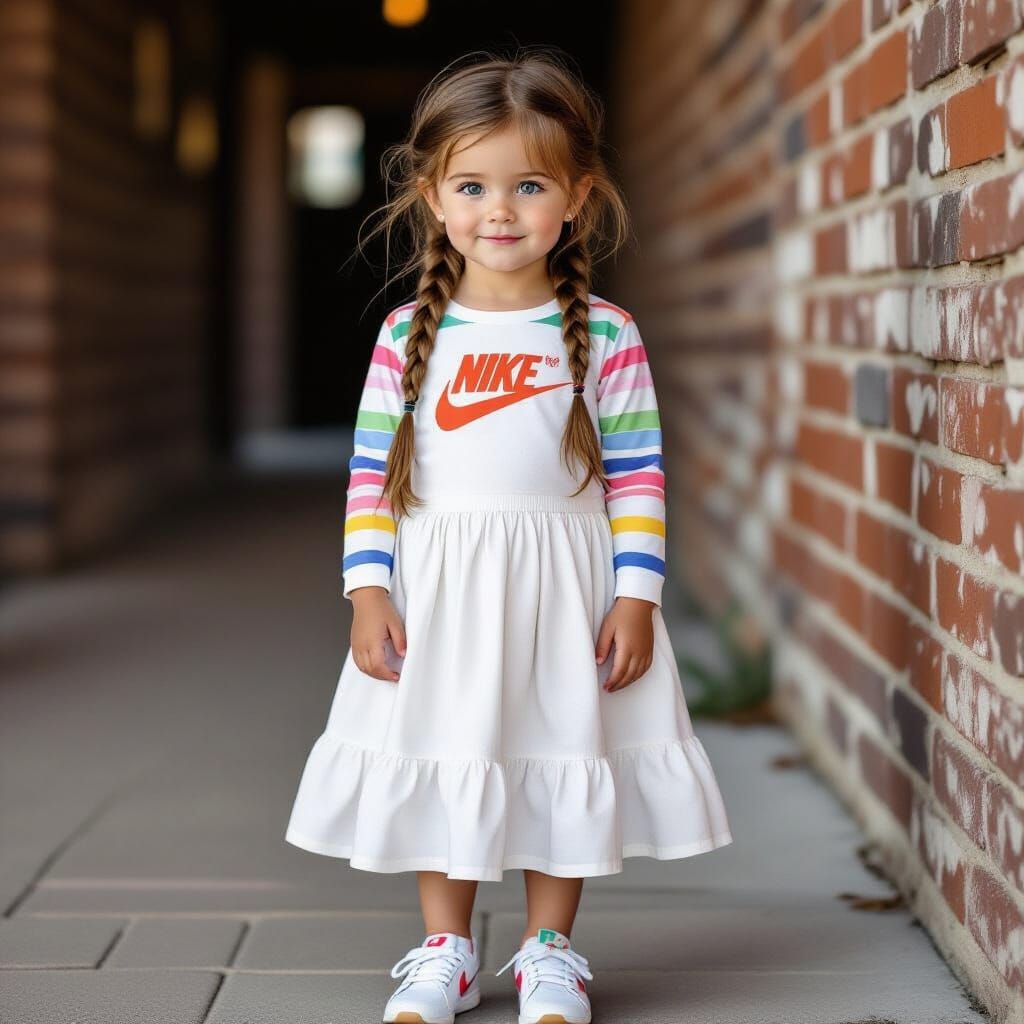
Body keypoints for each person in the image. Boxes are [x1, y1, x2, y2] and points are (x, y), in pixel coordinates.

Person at [284, 47, 733, 1024]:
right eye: (474, 185)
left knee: (555, 748)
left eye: (528, 185)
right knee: (450, 748)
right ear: (433, 194)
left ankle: (549, 953)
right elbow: (371, 474)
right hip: (441, 587)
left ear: (575, 195)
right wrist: (368, 588)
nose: (500, 209)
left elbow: (639, 476)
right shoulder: (408, 335)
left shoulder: (605, 335)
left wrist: (636, 593)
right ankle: (443, 948)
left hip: (563, 588)